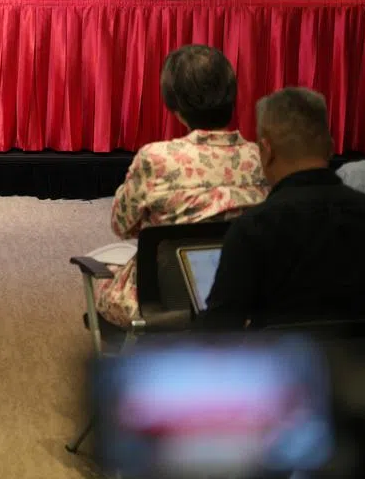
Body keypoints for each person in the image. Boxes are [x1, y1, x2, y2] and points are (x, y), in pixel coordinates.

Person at [95, 45, 267, 328]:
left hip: (164, 297)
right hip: (245, 294)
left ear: (174, 105)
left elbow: (122, 225)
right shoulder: (261, 157)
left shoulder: (156, 158)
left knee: (101, 279)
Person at [203, 88, 365, 329]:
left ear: (266, 151)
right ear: (330, 147)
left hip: (280, 366)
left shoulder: (253, 229)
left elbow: (217, 334)